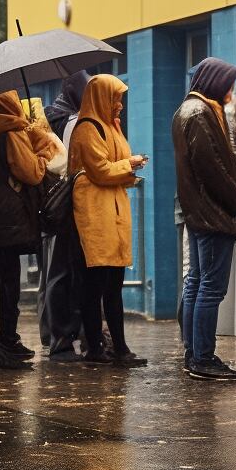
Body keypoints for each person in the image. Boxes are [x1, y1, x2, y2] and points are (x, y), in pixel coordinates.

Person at [0, 90, 58, 370]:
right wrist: (41, 155)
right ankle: (6, 340)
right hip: (8, 217)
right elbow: (30, 172)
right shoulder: (10, 131)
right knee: (8, 281)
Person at [172, 58, 236, 381]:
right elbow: (212, 168)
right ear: (215, 82)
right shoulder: (200, 114)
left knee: (196, 282)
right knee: (211, 288)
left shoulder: (188, 110)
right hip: (211, 212)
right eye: (228, 83)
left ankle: (193, 352)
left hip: (197, 211)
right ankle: (202, 356)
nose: (231, 90)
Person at [68, 74, 147, 367]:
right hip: (94, 214)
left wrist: (127, 167)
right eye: (115, 98)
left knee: (114, 284)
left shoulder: (110, 127)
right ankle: (96, 348)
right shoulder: (87, 129)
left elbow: (111, 168)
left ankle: (119, 348)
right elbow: (100, 170)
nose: (120, 105)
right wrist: (131, 163)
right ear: (101, 98)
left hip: (112, 211)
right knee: (95, 285)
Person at [42, 72, 91, 361]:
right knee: (62, 270)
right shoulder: (70, 120)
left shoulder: (51, 116)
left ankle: (58, 334)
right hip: (66, 201)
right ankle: (61, 336)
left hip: (56, 200)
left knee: (59, 270)